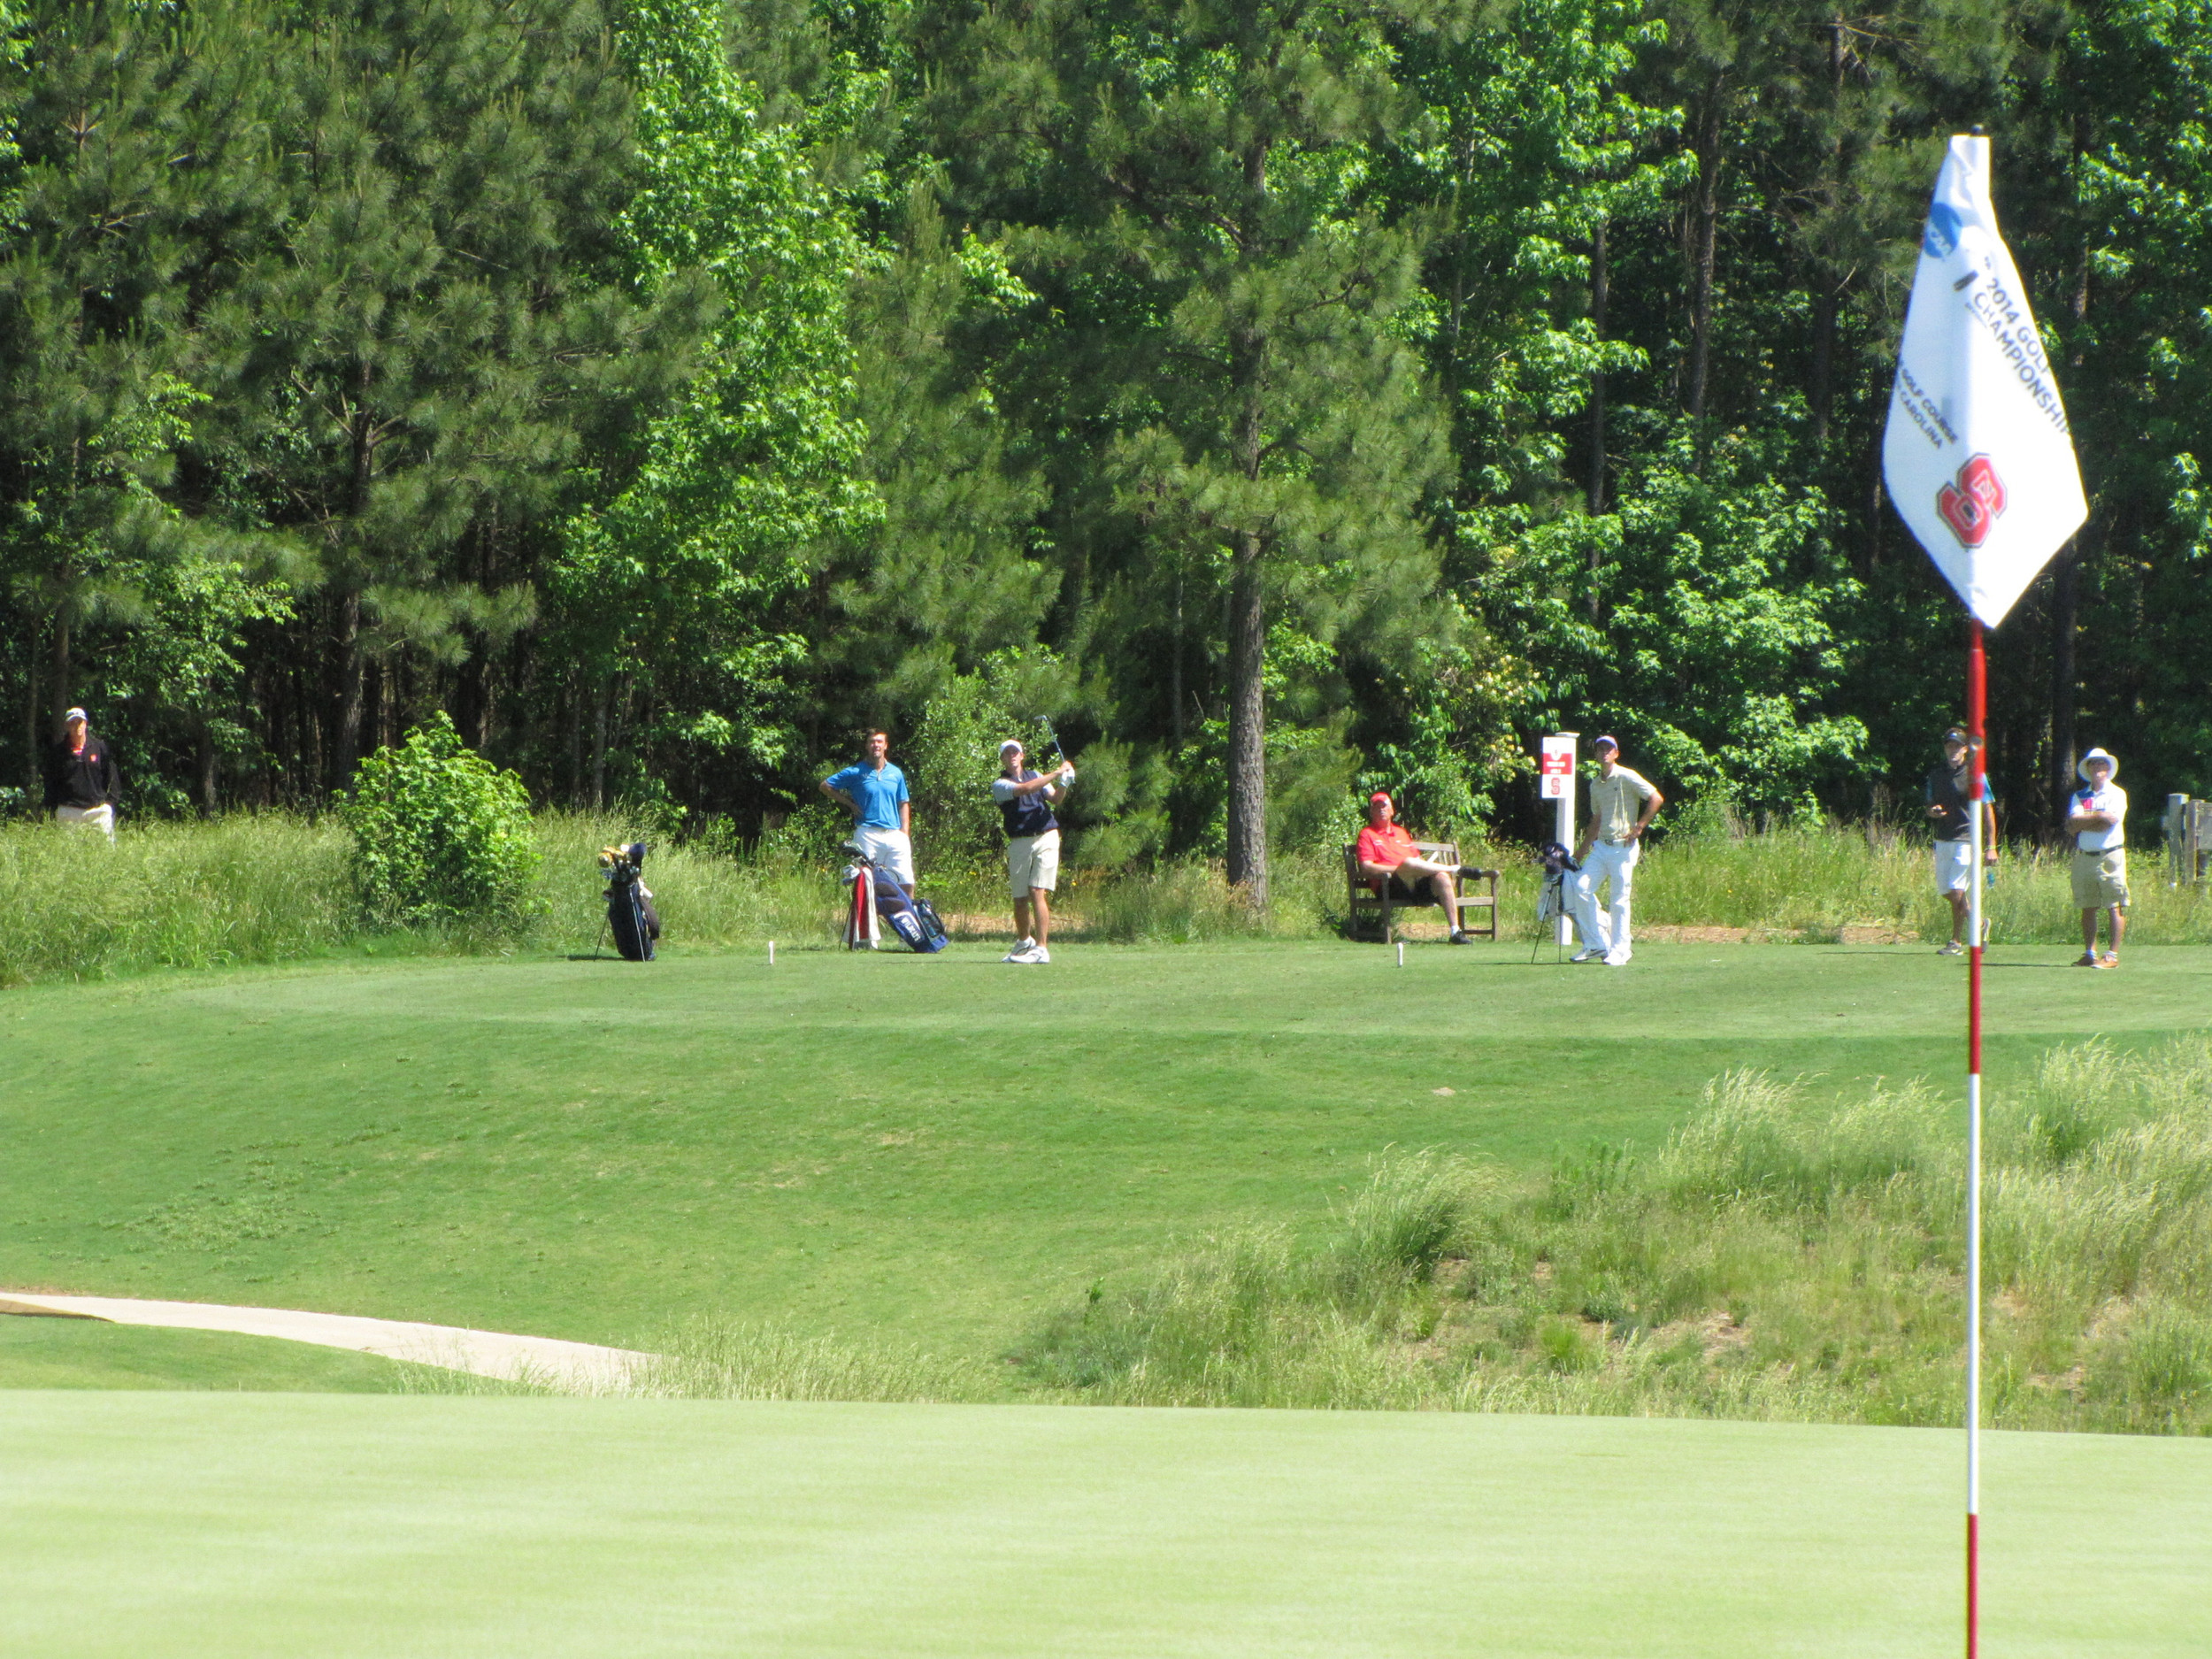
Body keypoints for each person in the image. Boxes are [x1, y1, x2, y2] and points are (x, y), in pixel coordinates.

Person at [1571, 734, 1661, 966]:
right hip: (1601, 846)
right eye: (1600, 749)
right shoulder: (1595, 783)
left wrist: (1639, 827)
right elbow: (1597, 819)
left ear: (1616, 753)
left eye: (1609, 749)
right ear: (1596, 754)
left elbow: (1655, 798)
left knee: (1619, 900)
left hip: (1624, 847)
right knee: (1581, 888)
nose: (1604, 753)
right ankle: (1595, 944)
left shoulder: (1626, 775)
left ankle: (1622, 950)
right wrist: (1580, 851)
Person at [1354, 791, 1475, 944]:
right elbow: (1367, 867)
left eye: (1384, 806)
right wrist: (1399, 869)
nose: (1381, 810)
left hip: (1414, 885)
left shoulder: (1401, 833)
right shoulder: (1367, 834)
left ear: (1392, 811)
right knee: (1408, 863)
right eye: (1376, 807)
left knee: (1442, 877)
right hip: (1389, 886)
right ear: (1371, 812)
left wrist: (1415, 870)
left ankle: (1455, 932)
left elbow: (1418, 860)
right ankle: (1455, 869)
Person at [993, 738, 1072, 964]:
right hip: (1019, 841)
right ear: (1002, 759)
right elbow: (1025, 789)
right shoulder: (1000, 784)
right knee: (1019, 897)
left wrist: (1065, 783)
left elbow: (1055, 799)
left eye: (1015, 752)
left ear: (1022, 755)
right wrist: (1058, 773)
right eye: (1007, 753)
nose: (1012, 756)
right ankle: (1024, 941)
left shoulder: (1035, 773)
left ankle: (1041, 947)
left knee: (1037, 891)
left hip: (1046, 836)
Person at [1925, 726, 1998, 956]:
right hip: (1943, 838)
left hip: (1967, 839)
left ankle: (1957, 940)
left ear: (1966, 749)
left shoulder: (1975, 775)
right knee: (1946, 891)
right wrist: (1933, 811)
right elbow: (1929, 805)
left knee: (1957, 891)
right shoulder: (1936, 776)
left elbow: (1988, 809)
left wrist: (1991, 846)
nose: (1953, 750)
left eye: (1957, 745)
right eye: (1949, 745)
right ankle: (1975, 926)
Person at [821, 729, 917, 893]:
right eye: (872, 742)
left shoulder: (896, 773)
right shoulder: (856, 772)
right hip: (867, 833)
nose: (876, 745)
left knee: (906, 881)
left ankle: (906, 917)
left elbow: (903, 802)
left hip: (895, 834)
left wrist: (904, 832)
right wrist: (850, 804)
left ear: (885, 745)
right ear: (867, 746)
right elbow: (825, 786)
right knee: (866, 882)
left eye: (879, 742)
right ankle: (867, 918)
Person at [2065, 747, 2128, 969]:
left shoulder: (2117, 794)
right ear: (2088, 768)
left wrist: (2087, 819)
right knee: (2087, 905)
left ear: (2108, 767)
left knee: (2114, 904)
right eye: (2093, 764)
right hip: (2085, 856)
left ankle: (2111, 955)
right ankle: (2090, 953)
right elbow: (2072, 825)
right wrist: (2098, 816)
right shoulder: (2080, 795)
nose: (2097, 767)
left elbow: (2109, 823)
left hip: (2110, 855)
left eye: (2101, 763)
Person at [44, 706, 120, 840]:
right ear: (67, 726)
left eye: (79, 722)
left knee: (105, 852)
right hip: (69, 812)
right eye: (72, 723)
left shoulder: (98, 747)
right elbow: (51, 782)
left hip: (98, 811)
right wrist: (53, 807)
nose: (77, 726)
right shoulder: (59, 752)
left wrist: (110, 803)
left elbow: (112, 776)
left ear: (86, 724)